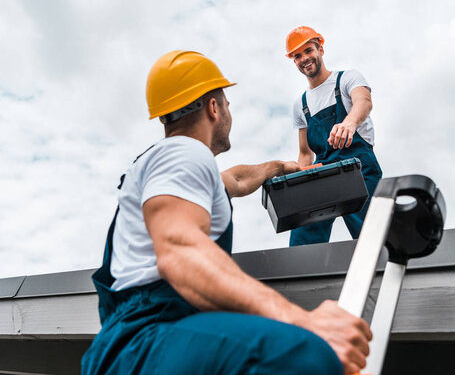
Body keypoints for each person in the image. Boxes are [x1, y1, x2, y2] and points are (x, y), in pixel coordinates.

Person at [81, 50, 372, 374]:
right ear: (214, 107)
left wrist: (279, 167)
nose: (229, 111)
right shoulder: (183, 154)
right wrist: (303, 321)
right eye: (227, 103)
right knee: (303, 354)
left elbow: (234, 179)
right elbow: (182, 252)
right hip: (146, 339)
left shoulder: (173, 171)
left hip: (147, 340)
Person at [286, 26, 383, 246]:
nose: (304, 59)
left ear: (320, 49)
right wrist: (293, 186)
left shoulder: (347, 78)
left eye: (308, 51)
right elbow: (304, 154)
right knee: (303, 237)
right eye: (297, 56)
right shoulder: (301, 104)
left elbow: (364, 102)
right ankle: (303, 277)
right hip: (323, 175)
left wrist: (349, 123)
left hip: (358, 170)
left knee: (372, 238)